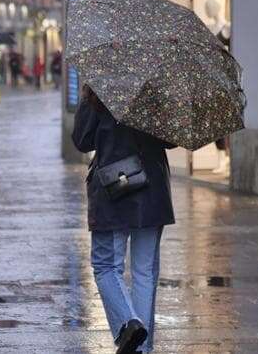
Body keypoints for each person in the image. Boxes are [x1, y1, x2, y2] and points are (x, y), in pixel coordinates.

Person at [72, 85, 175, 354]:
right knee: (144, 272)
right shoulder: (155, 86)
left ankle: (129, 323)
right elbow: (171, 138)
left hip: (112, 188)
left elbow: (82, 139)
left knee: (106, 266)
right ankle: (141, 348)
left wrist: (88, 97)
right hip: (151, 187)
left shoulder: (100, 86)